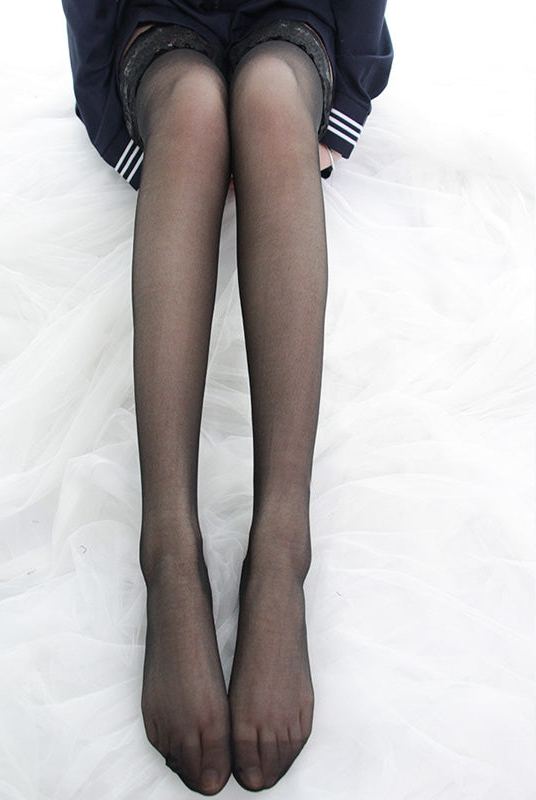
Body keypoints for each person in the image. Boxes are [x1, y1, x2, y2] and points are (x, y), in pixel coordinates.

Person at [60, 1, 392, 793]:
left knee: (272, 104)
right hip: (161, 21)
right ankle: (168, 551)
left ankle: (281, 548)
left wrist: (348, 98)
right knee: (195, 112)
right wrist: (106, 112)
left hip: (293, 17)